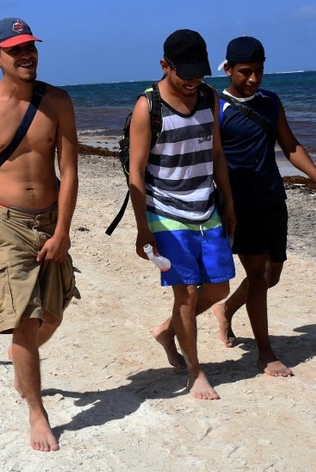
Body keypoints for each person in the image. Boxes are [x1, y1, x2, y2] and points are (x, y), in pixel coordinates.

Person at [0, 17, 79, 452]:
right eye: (15, 50)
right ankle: (36, 410)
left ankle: (22, 357)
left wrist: (63, 230)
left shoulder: (58, 101)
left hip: (49, 219)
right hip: (5, 222)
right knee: (25, 322)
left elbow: (70, 170)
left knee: (54, 314)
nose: (27, 55)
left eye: (30, 47)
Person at [212, 36, 316, 377]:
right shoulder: (214, 106)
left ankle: (225, 310)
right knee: (257, 273)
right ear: (228, 69)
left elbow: (290, 144)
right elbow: (209, 159)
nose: (253, 79)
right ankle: (265, 353)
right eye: (245, 72)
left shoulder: (270, 101)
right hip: (240, 204)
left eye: (259, 71)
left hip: (272, 198)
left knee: (272, 275)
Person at [131, 29, 237, 400]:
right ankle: (195, 372)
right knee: (187, 296)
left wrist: (229, 205)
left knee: (219, 287)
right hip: (166, 211)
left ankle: (167, 330)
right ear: (165, 66)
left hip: (206, 208)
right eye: (186, 73)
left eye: (200, 73)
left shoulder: (209, 97)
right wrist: (143, 229)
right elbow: (137, 172)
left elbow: (217, 156)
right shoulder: (149, 107)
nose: (194, 81)